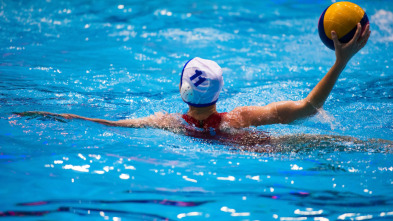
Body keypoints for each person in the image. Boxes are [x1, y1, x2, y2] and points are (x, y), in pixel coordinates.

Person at [20, 24, 371, 146]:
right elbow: (308, 108)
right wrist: (341, 61)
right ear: (220, 93)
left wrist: (57, 114)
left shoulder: (167, 124)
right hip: (260, 146)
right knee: (337, 142)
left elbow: (108, 124)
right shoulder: (243, 118)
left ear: (182, 89)